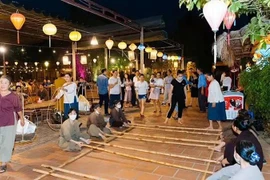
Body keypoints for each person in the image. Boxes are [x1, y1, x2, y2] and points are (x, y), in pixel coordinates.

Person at [0, 75, 24, 173]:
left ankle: (4, 163)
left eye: (5, 83)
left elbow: (18, 108)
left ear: (9, 84)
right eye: (1, 82)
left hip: (9, 121)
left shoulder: (13, 96)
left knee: (7, 142)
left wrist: (22, 119)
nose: (2, 84)